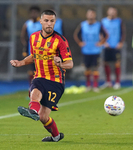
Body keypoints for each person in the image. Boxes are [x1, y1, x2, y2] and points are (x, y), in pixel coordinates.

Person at [10, 10, 73, 142]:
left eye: (51, 21)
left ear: (55, 22)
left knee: (44, 117)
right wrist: (21, 62)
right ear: (41, 21)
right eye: (46, 21)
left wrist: (61, 64)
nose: (49, 24)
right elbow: (34, 56)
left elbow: (70, 63)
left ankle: (56, 136)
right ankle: (32, 110)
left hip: (56, 81)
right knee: (35, 92)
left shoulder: (60, 41)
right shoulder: (33, 37)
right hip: (39, 77)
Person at [73, 9, 107, 92]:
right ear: (87, 15)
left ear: (94, 15)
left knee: (95, 68)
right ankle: (88, 85)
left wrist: (101, 42)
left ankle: (95, 86)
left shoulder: (98, 25)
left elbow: (106, 35)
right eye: (89, 14)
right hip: (86, 50)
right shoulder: (83, 25)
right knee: (87, 68)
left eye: (92, 14)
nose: (91, 16)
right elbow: (76, 35)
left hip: (96, 50)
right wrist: (80, 43)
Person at [101, 6, 126, 90]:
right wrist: (104, 42)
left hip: (116, 46)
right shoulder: (103, 21)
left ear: (116, 13)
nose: (112, 13)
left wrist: (121, 42)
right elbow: (100, 33)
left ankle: (117, 82)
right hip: (107, 46)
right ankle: (108, 82)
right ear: (107, 12)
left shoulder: (119, 21)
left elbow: (123, 32)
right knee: (106, 63)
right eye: (110, 11)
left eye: (113, 11)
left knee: (117, 63)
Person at [20, 6, 42, 84]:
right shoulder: (27, 24)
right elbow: (23, 36)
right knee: (31, 70)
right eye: (32, 12)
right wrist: (25, 46)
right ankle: (32, 88)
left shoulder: (42, 23)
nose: (33, 14)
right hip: (31, 51)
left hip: (42, 51)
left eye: (35, 12)